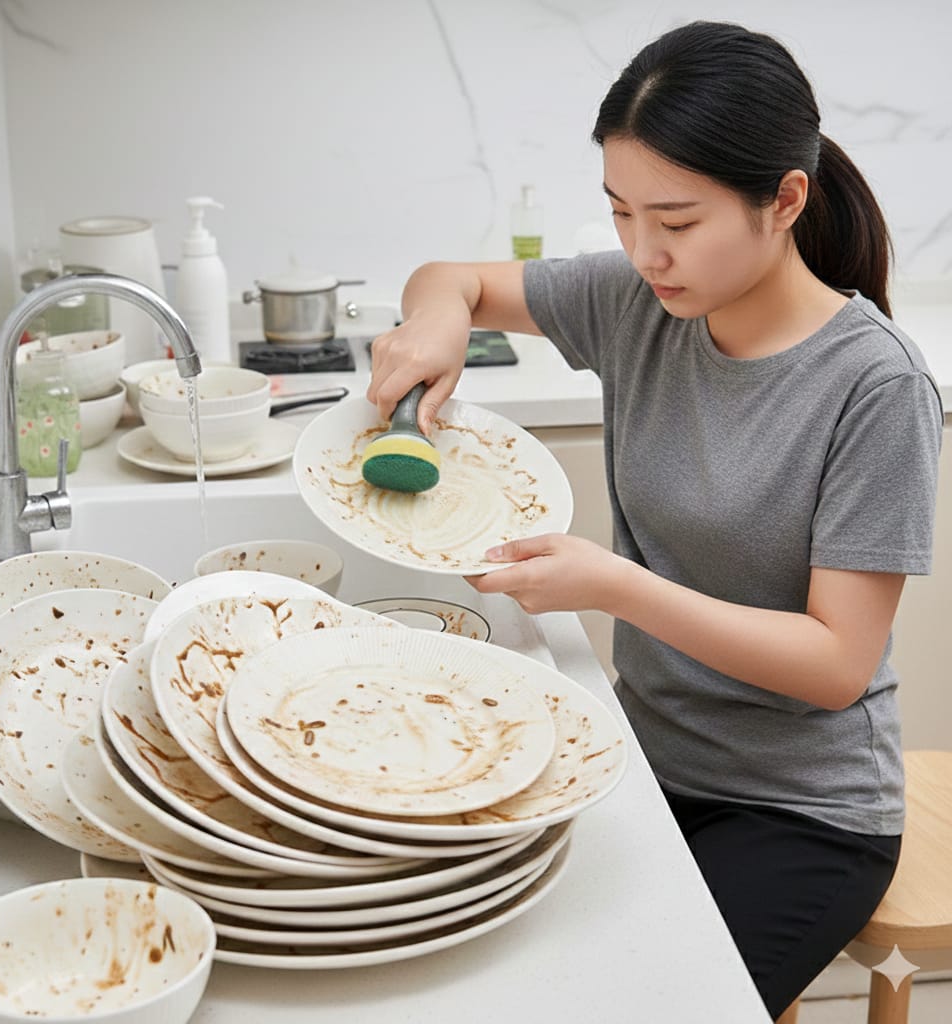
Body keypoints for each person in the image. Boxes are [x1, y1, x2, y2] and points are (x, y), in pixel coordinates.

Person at [366, 19, 944, 1021]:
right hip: (641, 758)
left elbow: (834, 661)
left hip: (804, 811)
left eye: (674, 220)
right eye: (622, 212)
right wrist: (435, 322)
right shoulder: (640, 300)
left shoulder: (872, 384)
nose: (644, 250)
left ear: (785, 200)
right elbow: (450, 278)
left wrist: (613, 585)